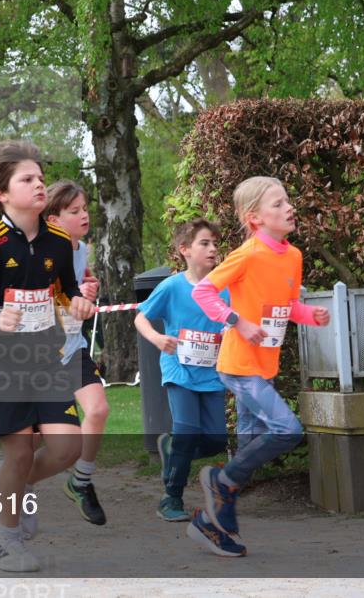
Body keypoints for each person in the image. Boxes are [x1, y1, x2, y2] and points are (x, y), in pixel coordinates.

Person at [0, 140, 95, 573]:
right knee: (20, 452)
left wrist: (78, 303)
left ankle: (12, 482)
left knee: (68, 447)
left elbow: (66, 291)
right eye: (27, 179)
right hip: (1, 363)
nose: (39, 185)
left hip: (47, 358)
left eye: (40, 178)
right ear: (3, 194)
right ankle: (4, 539)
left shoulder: (58, 241)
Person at [189, 176, 331, 557]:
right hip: (239, 365)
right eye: (278, 204)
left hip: (263, 367)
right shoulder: (248, 254)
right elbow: (202, 291)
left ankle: (211, 524)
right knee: (288, 429)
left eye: (288, 201)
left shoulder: (294, 256)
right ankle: (219, 481)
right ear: (255, 218)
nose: (289, 208)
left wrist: (309, 315)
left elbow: (284, 307)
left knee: (248, 455)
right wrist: (237, 321)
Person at [134, 219, 230, 522]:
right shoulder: (173, 286)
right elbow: (140, 318)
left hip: (212, 373)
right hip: (179, 370)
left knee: (216, 440)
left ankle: (171, 448)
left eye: (215, 243)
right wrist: (158, 339)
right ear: (185, 250)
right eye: (204, 243)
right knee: (187, 430)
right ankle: (171, 498)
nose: (213, 248)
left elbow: (233, 322)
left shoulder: (225, 287)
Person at [43, 180, 107, 526]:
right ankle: (13, 481)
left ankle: (81, 481)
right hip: (41, 356)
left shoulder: (80, 248)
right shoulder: (37, 253)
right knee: (54, 446)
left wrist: (87, 291)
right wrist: (72, 297)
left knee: (98, 410)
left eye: (85, 209)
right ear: (53, 219)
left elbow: (81, 284)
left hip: (74, 348)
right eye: (75, 211)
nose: (84, 216)